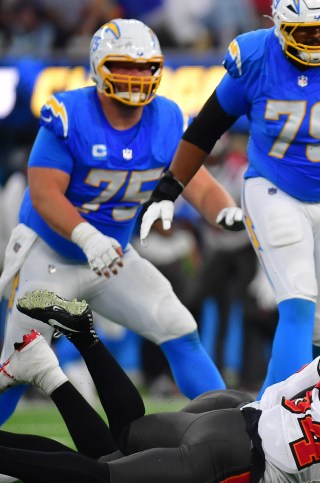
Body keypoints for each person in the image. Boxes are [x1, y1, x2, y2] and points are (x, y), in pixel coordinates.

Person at [139, 0, 320, 392]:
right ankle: (276, 421)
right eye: (306, 31)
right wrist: (169, 188)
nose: (316, 39)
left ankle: (287, 413)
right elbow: (205, 130)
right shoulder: (256, 59)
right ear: (279, 26)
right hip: (272, 189)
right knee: (298, 302)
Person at [0, 19, 243, 424]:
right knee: (20, 363)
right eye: (123, 66)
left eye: (143, 67)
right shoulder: (70, 113)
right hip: (51, 255)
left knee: (179, 327)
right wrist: (87, 236)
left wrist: (225, 212)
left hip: (113, 257)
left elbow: (196, 182)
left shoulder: (166, 119)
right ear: (99, 66)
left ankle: (237, 430)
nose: (135, 77)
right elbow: (43, 194)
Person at [0, 289, 320, 482]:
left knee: (118, 444)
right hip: (236, 459)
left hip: (238, 416)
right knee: (103, 477)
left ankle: (70, 353)